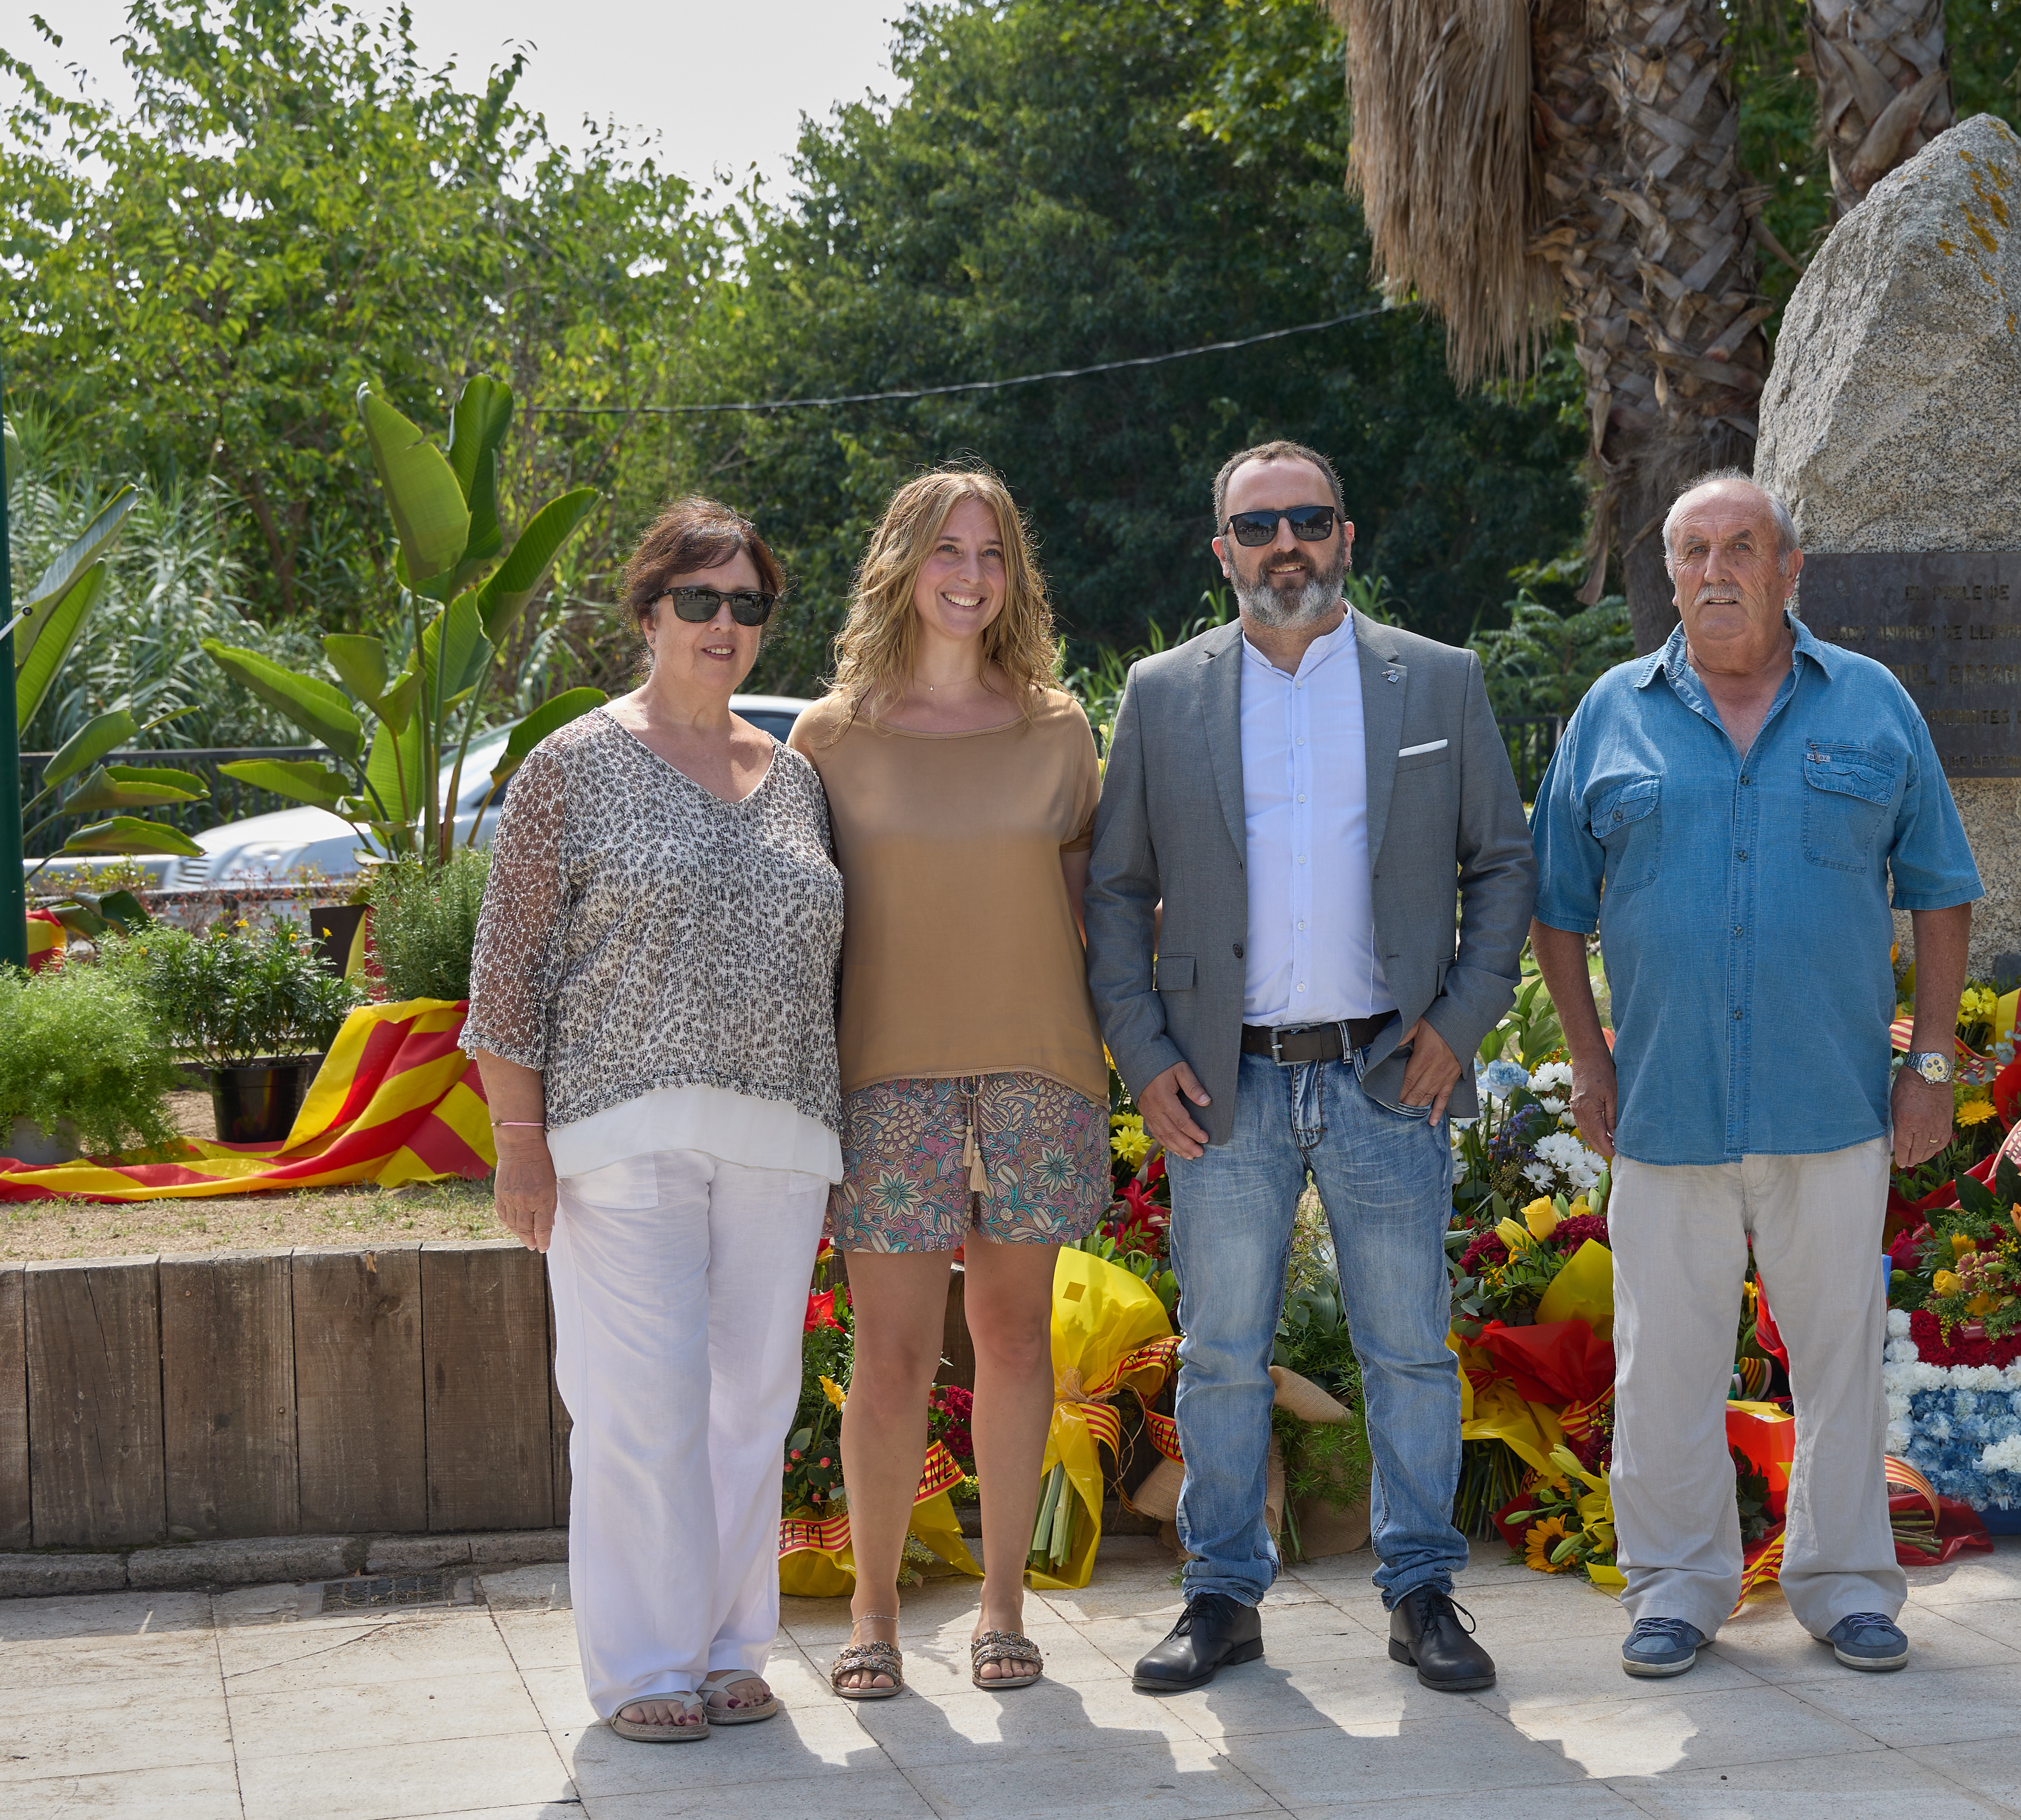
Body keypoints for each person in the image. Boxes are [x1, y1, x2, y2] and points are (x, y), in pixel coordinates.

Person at [1085, 440, 1535, 1694]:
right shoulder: (1163, 691)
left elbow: (1501, 862)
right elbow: (1116, 889)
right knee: (1221, 1350)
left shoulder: (1432, 682)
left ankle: (1423, 1590)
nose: (1285, 541)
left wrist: (1462, 1016)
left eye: (1308, 519)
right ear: (1220, 547)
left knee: (1409, 1348)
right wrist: (1142, 1052)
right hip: (1219, 1080)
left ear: (1347, 532)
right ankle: (1221, 1596)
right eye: (1258, 523)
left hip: (1390, 1067)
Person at [1528, 471, 1981, 1682]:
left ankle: (1844, 1587)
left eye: (1741, 546)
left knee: (1837, 1353)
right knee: (1663, 1356)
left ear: (1792, 570)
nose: (1715, 570)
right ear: (1668, 573)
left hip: (1829, 1101)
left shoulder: (1874, 706)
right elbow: (1557, 909)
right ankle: (1677, 1587)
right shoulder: (1610, 713)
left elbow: (1939, 887)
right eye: (1692, 551)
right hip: (1666, 1102)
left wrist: (1929, 1063)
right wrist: (1585, 1054)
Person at [466, 498, 844, 1743]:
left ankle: (732, 1643)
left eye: (747, 603)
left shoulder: (795, 776)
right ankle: (642, 1666)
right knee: (644, 1403)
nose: (724, 623)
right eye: (699, 599)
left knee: (752, 1402)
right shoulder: (569, 765)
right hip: (616, 1131)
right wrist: (518, 1137)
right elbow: (506, 968)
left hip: (781, 1132)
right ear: (647, 612)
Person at [790, 467, 1110, 1697]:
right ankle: (871, 1612)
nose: (969, 574)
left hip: (1037, 1072)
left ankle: (1000, 1604)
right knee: (892, 1355)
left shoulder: (1058, 725)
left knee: (1016, 1340)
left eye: (991, 551)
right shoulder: (827, 734)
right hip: (886, 1083)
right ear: (902, 564)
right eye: (946, 550)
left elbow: (1094, 914)